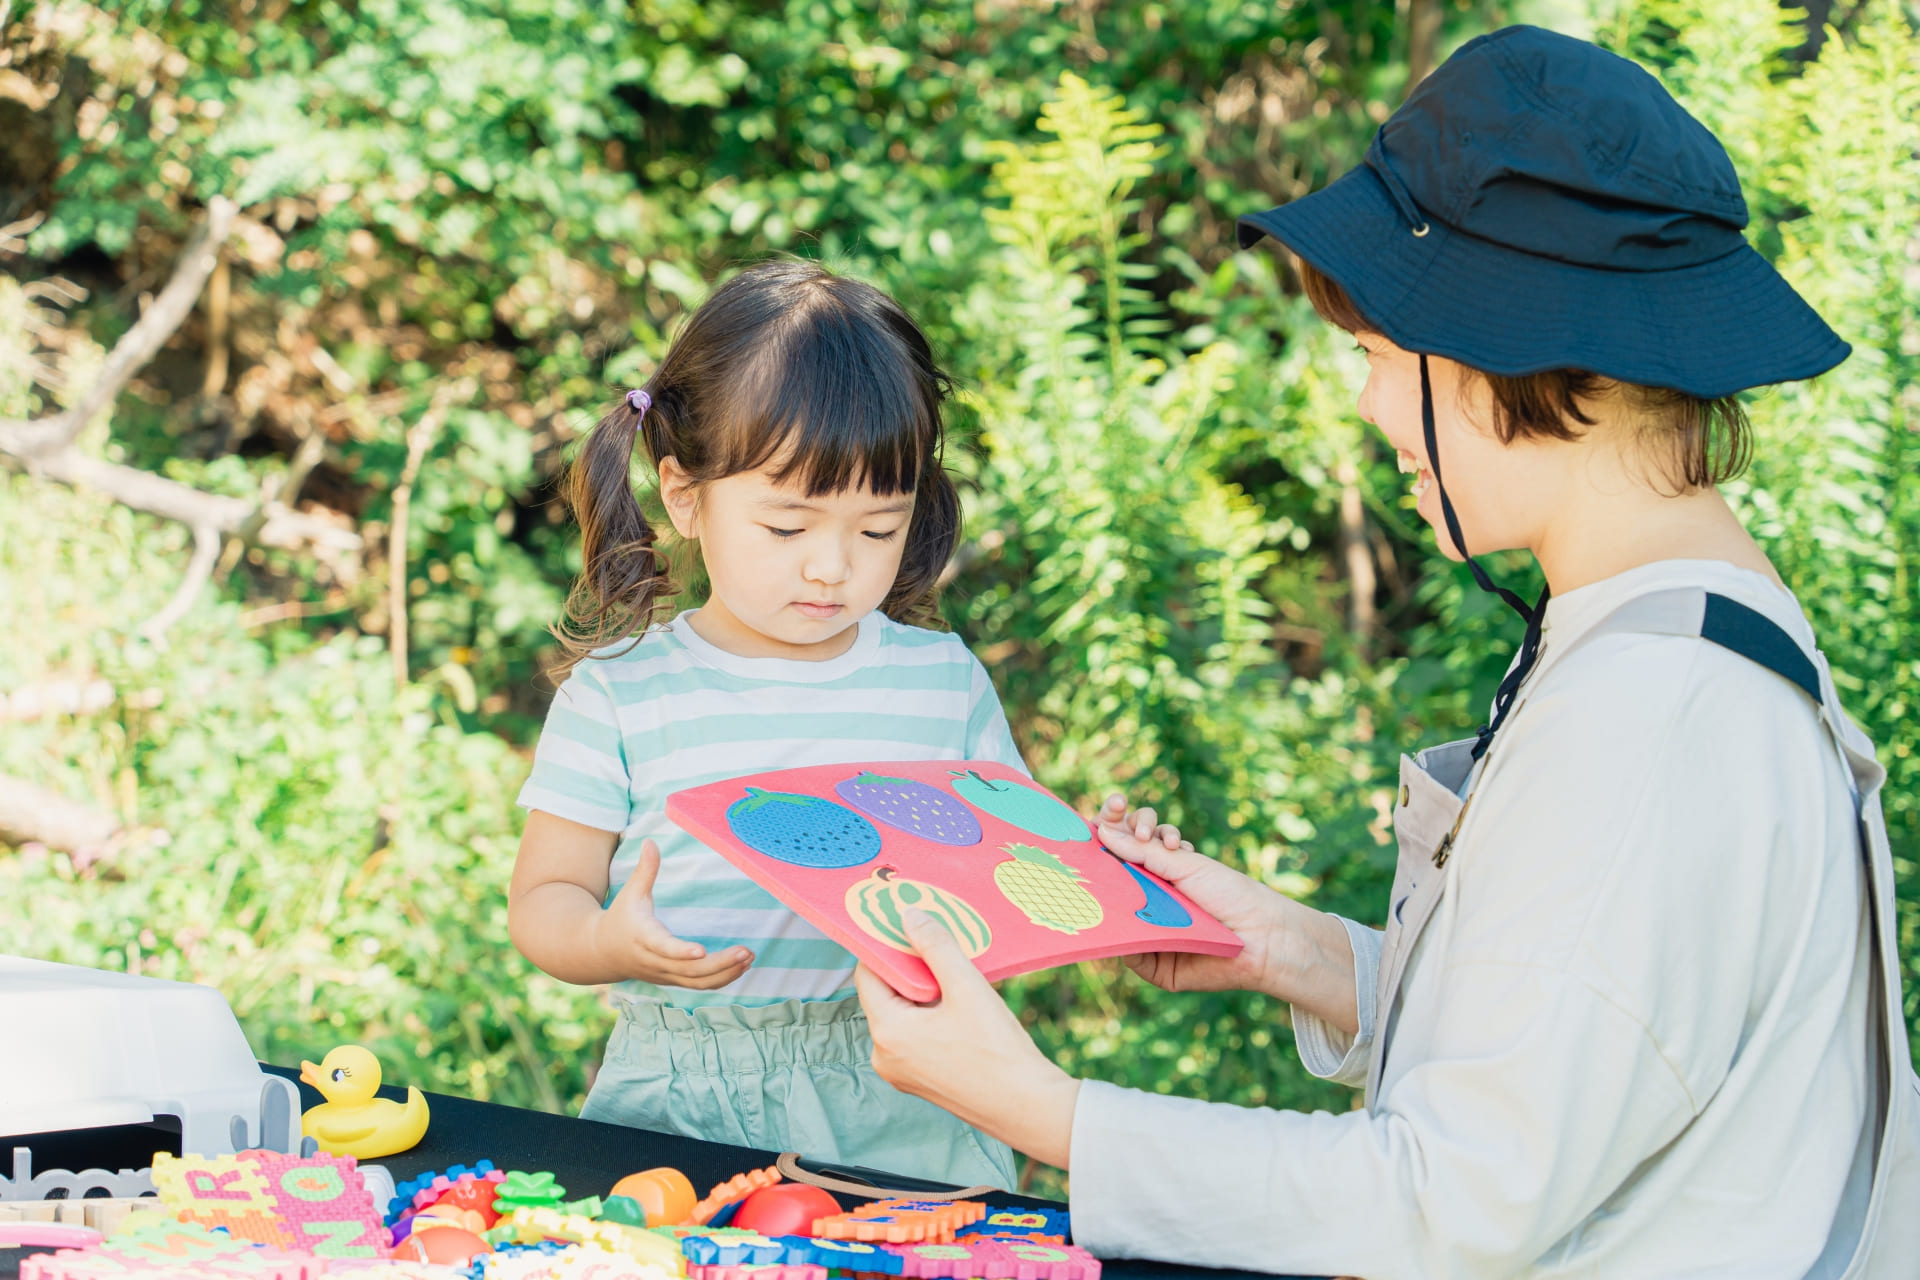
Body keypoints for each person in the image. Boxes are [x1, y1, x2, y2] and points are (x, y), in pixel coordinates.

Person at [856, 27, 1919, 1277]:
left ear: (1508, 347)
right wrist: (1290, 949)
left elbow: (1448, 1203)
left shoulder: (1651, 715)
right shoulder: (1692, 631)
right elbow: (1583, 1054)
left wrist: (1039, 1108)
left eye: (1377, 353)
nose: (1366, 403)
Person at [509, 258, 1025, 1190]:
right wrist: (608, 943)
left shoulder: (940, 683)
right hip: (680, 1097)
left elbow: (1013, 866)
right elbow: (546, 898)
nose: (832, 567)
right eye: (788, 528)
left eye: (877, 530)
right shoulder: (623, 693)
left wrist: (1098, 870)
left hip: (910, 1083)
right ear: (685, 496)